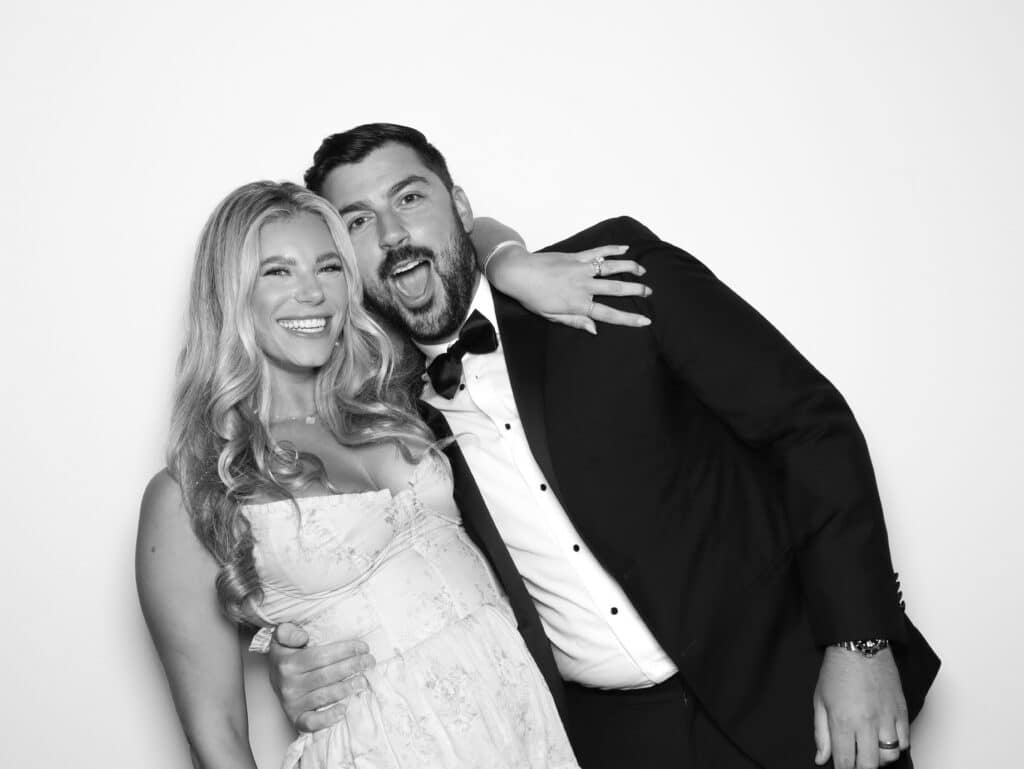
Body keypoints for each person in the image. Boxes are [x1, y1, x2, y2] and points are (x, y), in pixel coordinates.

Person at [268, 124, 941, 769]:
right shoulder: (393, 431)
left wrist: (860, 639)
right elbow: (401, 583)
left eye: (409, 198)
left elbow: (808, 426)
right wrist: (304, 663)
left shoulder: (607, 274)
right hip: (609, 744)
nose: (391, 234)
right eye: (356, 221)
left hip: (799, 691)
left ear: (462, 206)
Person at [135, 180, 651, 769]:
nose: (312, 293)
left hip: (530, 730)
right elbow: (217, 737)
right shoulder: (191, 491)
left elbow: (463, 237)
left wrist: (511, 264)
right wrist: (288, 666)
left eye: (329, 267)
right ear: (230, 295)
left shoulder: (397, 397)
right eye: (277, 272)